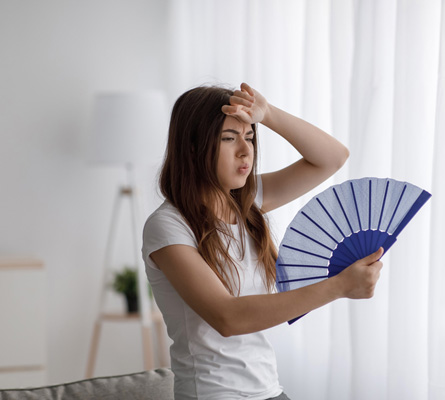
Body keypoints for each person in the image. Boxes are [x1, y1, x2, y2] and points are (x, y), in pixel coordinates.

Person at [141, 82, 384, 400]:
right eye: (229, 138)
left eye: (250, 137)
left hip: (268, 389)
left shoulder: (246, 203)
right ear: (191, 147)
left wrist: (267, 113)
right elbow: (228, 317)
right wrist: (338, 286)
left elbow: (332, 157)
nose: (245, 151)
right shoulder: (168, 226)